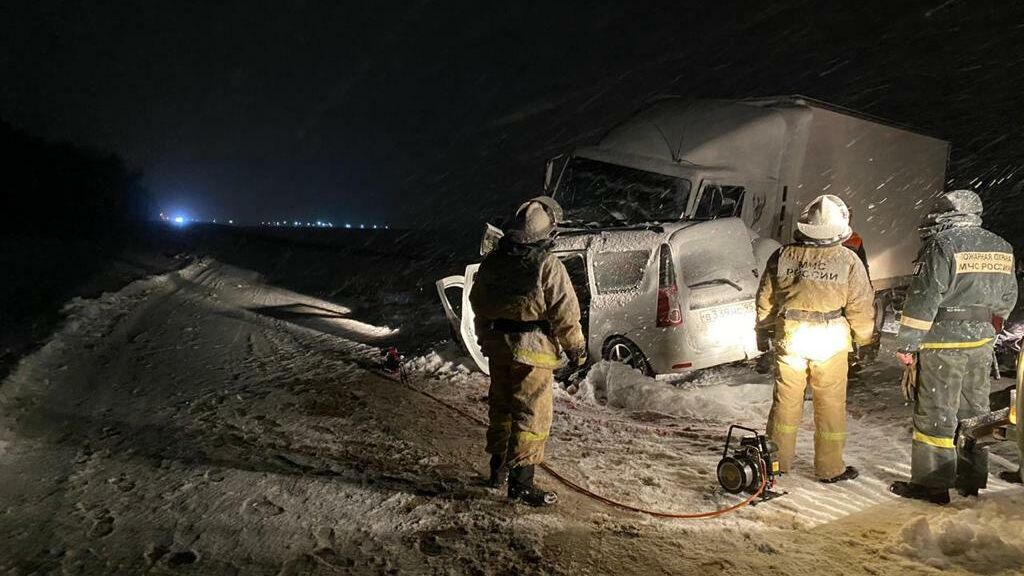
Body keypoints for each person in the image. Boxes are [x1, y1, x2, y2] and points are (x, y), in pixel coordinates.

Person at [890, 190, 1017, 505]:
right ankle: (970, 479)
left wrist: (908, 342)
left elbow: (924, 297)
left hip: (943, 342)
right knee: (975, 411)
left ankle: (932, 485)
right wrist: (987, 325)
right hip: (981, 341)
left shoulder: (942, 245)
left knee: (936, 413)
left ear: (944, 216)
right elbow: (1008, 298)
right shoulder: (1002, 246)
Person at [469, 196, 587, 507]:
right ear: (547, 233)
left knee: (502, 410)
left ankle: (497, 472)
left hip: (500, 350)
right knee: (531, 416)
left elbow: (478, 304)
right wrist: (577, 350)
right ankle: (521, 484)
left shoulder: (492, 263)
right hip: (533, 354)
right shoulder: (548, 266)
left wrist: (485, 339)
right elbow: (566, 314)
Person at [756, 194, 875, 483]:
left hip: (792, 337)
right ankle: (830, 468)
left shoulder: (783, 255)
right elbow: (861, 304)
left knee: (785, 402)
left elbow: (766, 298)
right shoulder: (847, 259)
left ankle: (777, 462)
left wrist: (762, 330)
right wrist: (864, 338)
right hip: (830, 340)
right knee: (830, 404)